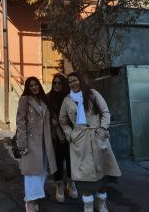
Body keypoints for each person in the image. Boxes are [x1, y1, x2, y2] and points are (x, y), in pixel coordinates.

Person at [59, 72, 121, 212]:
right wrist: (71, 135)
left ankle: (101, 203)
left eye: (75, 80)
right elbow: (62, 121)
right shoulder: (67, 100)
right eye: (70, 82)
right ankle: (88, 206)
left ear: (80, 80)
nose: (73, 84)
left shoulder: (93, 94)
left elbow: (105, 112)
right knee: (84, 176)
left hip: (98, 137)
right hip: (80, 141)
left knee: (103, 172)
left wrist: (103, 129)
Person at [16, 76, 57, 212]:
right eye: (31, 85)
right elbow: (20, 121)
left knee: (41, 170)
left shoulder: (43, 100)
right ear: (28, 87)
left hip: (44, 142)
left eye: (36, 85)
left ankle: (34, 196)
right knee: (31, 172)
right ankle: (30, 201)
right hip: (31, 141)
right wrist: (22, 143)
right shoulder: (24, 100)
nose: (34, 87)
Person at [47, 73, 78, 202]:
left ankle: (71, 183)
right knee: (57, 160)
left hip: (70, 134)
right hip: (55, 135)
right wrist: (51, 121)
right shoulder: (47, 98)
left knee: (72, 160)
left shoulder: (71, 97)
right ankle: (59, 185)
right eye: (55, 83)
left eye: (60, 83)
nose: (57, 85)